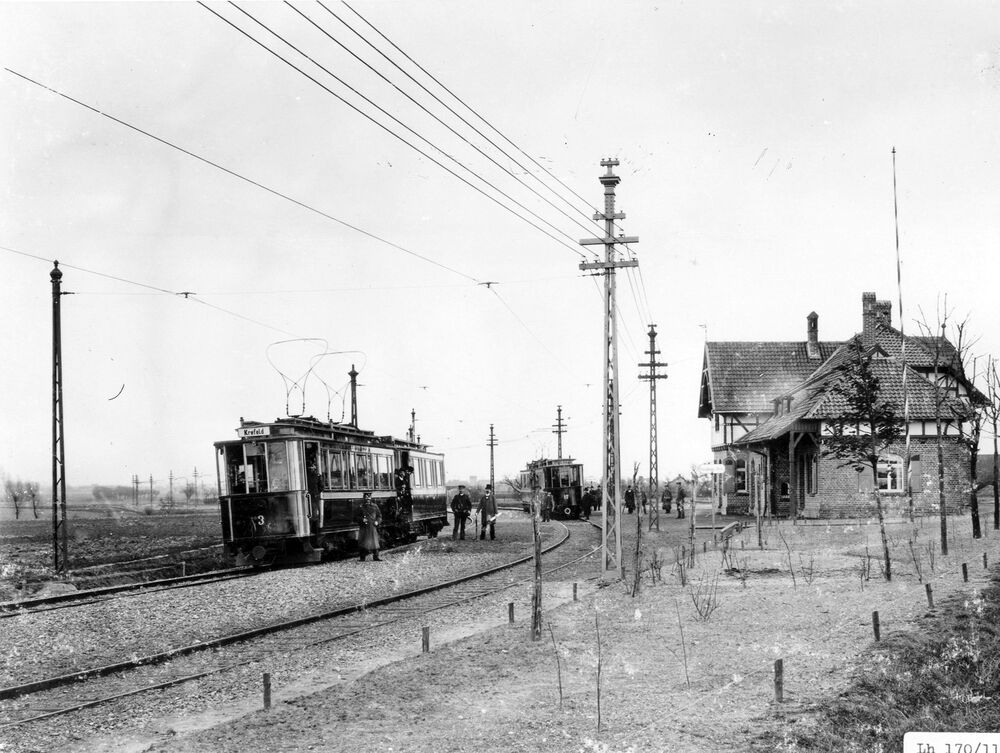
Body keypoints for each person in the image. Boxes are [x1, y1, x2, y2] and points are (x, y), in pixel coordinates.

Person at [357, 492, 382, 561]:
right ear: (364, 498)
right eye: (366, 498)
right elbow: (355, 517)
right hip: (364, 527)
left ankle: (376, 557)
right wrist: (362, 519)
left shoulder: (375, 506)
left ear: (371, 498)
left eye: (369, 497)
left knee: (375, 542)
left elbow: (379, 516)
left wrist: (377, 521)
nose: (367, 499)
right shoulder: (360, 507)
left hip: (372, 526)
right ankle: (362, 558)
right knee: (363, 542)